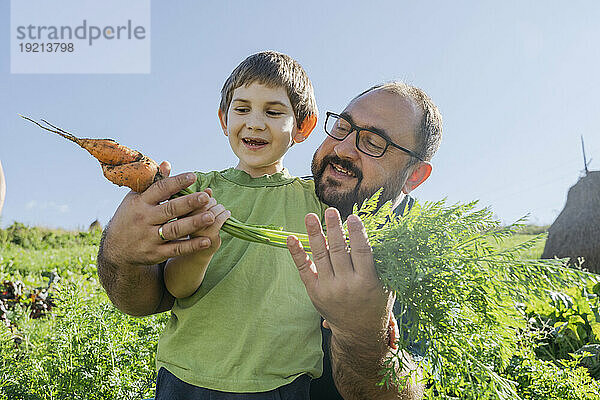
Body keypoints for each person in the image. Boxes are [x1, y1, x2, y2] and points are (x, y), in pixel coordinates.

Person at [97, 81, 442, 399]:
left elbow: (406, 392)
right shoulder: (304, 196)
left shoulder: (412, 254)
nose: (344, 148)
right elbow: (147, 300)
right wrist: (119, 254)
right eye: (343, 127)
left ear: (414, 176)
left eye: (373, 143)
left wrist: (365, 337)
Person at [147, 51, 329, 398]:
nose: (255, 123)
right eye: (242, 109)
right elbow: (176, 286)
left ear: (303, 125)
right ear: (223, 119)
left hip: (282, 381)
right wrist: (200, 252)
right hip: (189, 375)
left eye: (274, 112)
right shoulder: (196, 190)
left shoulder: (317, 201)